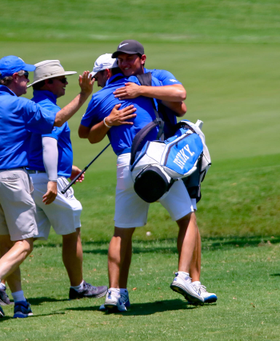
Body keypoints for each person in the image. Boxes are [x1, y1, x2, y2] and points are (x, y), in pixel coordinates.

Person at [78, 47, 207, 313]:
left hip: (125, 164)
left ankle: (115, 293)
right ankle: (183, 277)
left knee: (121, 232)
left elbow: (87, 136)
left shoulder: (101, 96)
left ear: (106, 73)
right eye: (121, 61)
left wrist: (108, 122)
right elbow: (181, 102)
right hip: (157, 159)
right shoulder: (149, 78)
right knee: (188, 217)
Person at [0, 55, 94, 318]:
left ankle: (20, 302)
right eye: (25, 76)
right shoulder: (20, 105)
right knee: (24, 243)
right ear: (14, 78)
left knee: (8, 244)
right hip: (12, 179)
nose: (28, 82)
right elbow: (56, 121)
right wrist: (84, 95)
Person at [26, 60, 107, 299]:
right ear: (48, 82)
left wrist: (66, 166)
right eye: (62, 79)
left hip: (32, 177)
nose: (66, 83)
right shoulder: (50, 110)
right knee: (72, 231)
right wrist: (54, 178)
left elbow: (33, 146)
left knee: (26, 239)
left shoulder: (33, 106)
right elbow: (48, 142)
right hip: (49, 180)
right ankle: (78, 287)